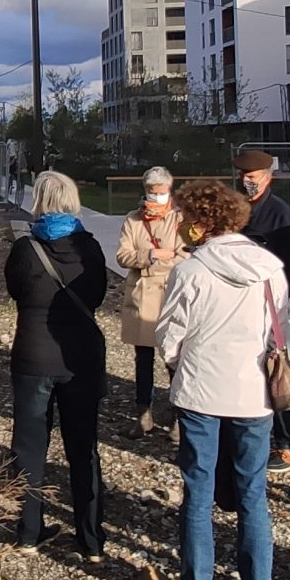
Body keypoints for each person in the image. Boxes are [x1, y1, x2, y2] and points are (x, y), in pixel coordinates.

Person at [154, 181, 289, 580]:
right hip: (252, 392)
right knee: (253, 494)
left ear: (201, 222)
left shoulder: (190, 271)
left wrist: (179, 363)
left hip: (199, 390)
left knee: (198, 488)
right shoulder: (269, 266)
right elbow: (277, 327)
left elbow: (169, 337)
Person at [3, 170, 112, 557]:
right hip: (79, 357)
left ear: (39, 201)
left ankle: (29, 531)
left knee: (29, 446)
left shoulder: (24, 250)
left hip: (33, 355)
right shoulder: (90, 249)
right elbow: (97, 297)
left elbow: (15, 291)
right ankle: (91, 538)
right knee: (83, 448)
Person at [236, 148, 290, 468]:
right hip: (237, 303)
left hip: (267, 304)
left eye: (251, 177)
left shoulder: (281, 215)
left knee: (275, 372)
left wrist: (276, 299)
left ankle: (287, 444)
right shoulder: (237, 207)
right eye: (242, 176)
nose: (246, 181)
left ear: (268, 177)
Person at [115, 166, 185, 432]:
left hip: (171, 296)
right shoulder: (132, 220)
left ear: (170, 189)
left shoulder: (180, 219)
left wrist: (148, 258)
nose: (155, 198)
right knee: (142, 360)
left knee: (174, 358)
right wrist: (152, 256)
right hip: (142, 295)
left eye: (161, 193)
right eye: (151, 193)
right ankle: (143, 414)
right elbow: (122, 256)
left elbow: (185, 255)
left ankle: (179, 415)